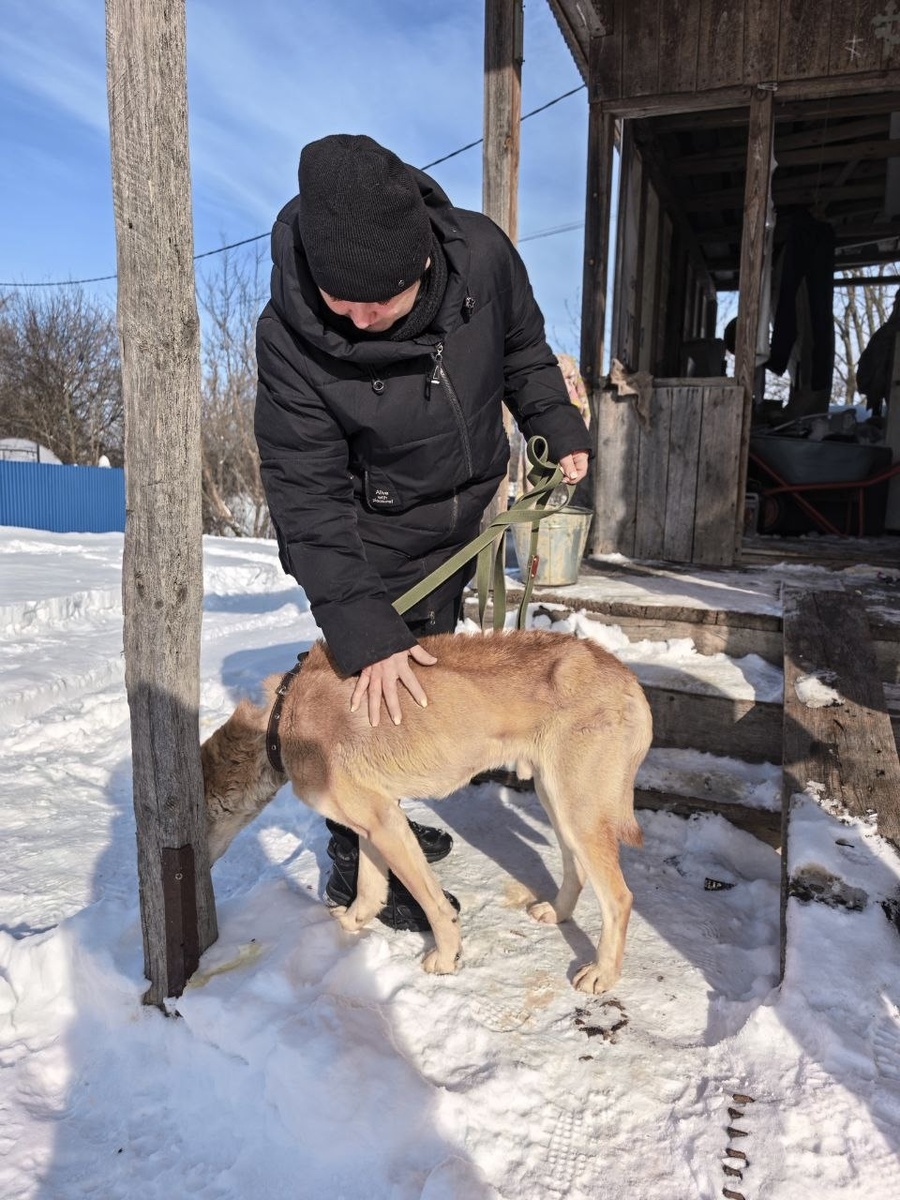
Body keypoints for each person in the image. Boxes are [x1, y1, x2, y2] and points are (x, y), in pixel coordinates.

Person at [254, 133, 591, 930]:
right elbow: (305, 498)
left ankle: (394, 807)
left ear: (425, 259)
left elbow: (524, 353)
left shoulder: (484, 256)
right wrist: (364, 629)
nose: (362, 317)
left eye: (383, 298)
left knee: (424, 690)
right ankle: (358, 860)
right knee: (367, 697)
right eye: (343, 299)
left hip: (463, 518)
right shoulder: (287, 337)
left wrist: (554, 422)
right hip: (367, 540)